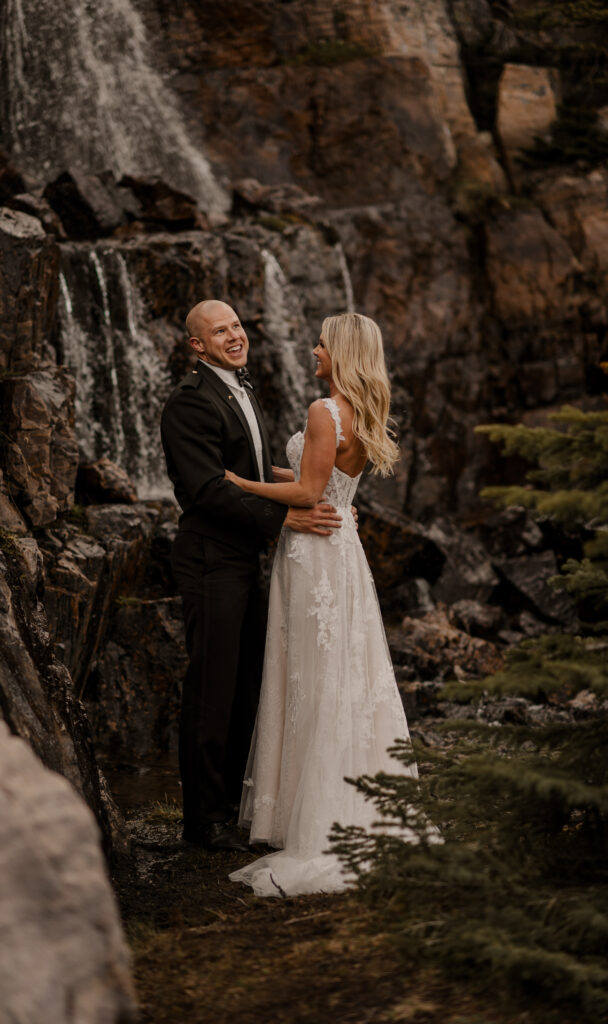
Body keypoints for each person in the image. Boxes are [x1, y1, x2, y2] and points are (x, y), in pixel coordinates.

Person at [228, 312, 419, 895]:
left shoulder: (322, 410)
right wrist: (271, 475)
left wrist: (239, 485)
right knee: (343, 676)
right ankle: (350, 803)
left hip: (313, 553)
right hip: (344, 551)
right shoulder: (360, 411)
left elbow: (309, 494)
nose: (312, 350)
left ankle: (309, 819)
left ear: (341, 351)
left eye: (320, 343)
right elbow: (327, 480)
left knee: (313, 674)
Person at [160, 300, 344, 852]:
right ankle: (202, 822)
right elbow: (208, 489)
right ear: (197, 345)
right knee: (212, 687)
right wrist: (285, 516)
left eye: (237, 325)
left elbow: (257, 474)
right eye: (220, 331)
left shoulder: (241, 387)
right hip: (210, 558)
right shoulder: (189, 403)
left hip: (247, 557)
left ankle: (233, 808)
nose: (235, 335)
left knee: (245, 685)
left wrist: (329, 495)